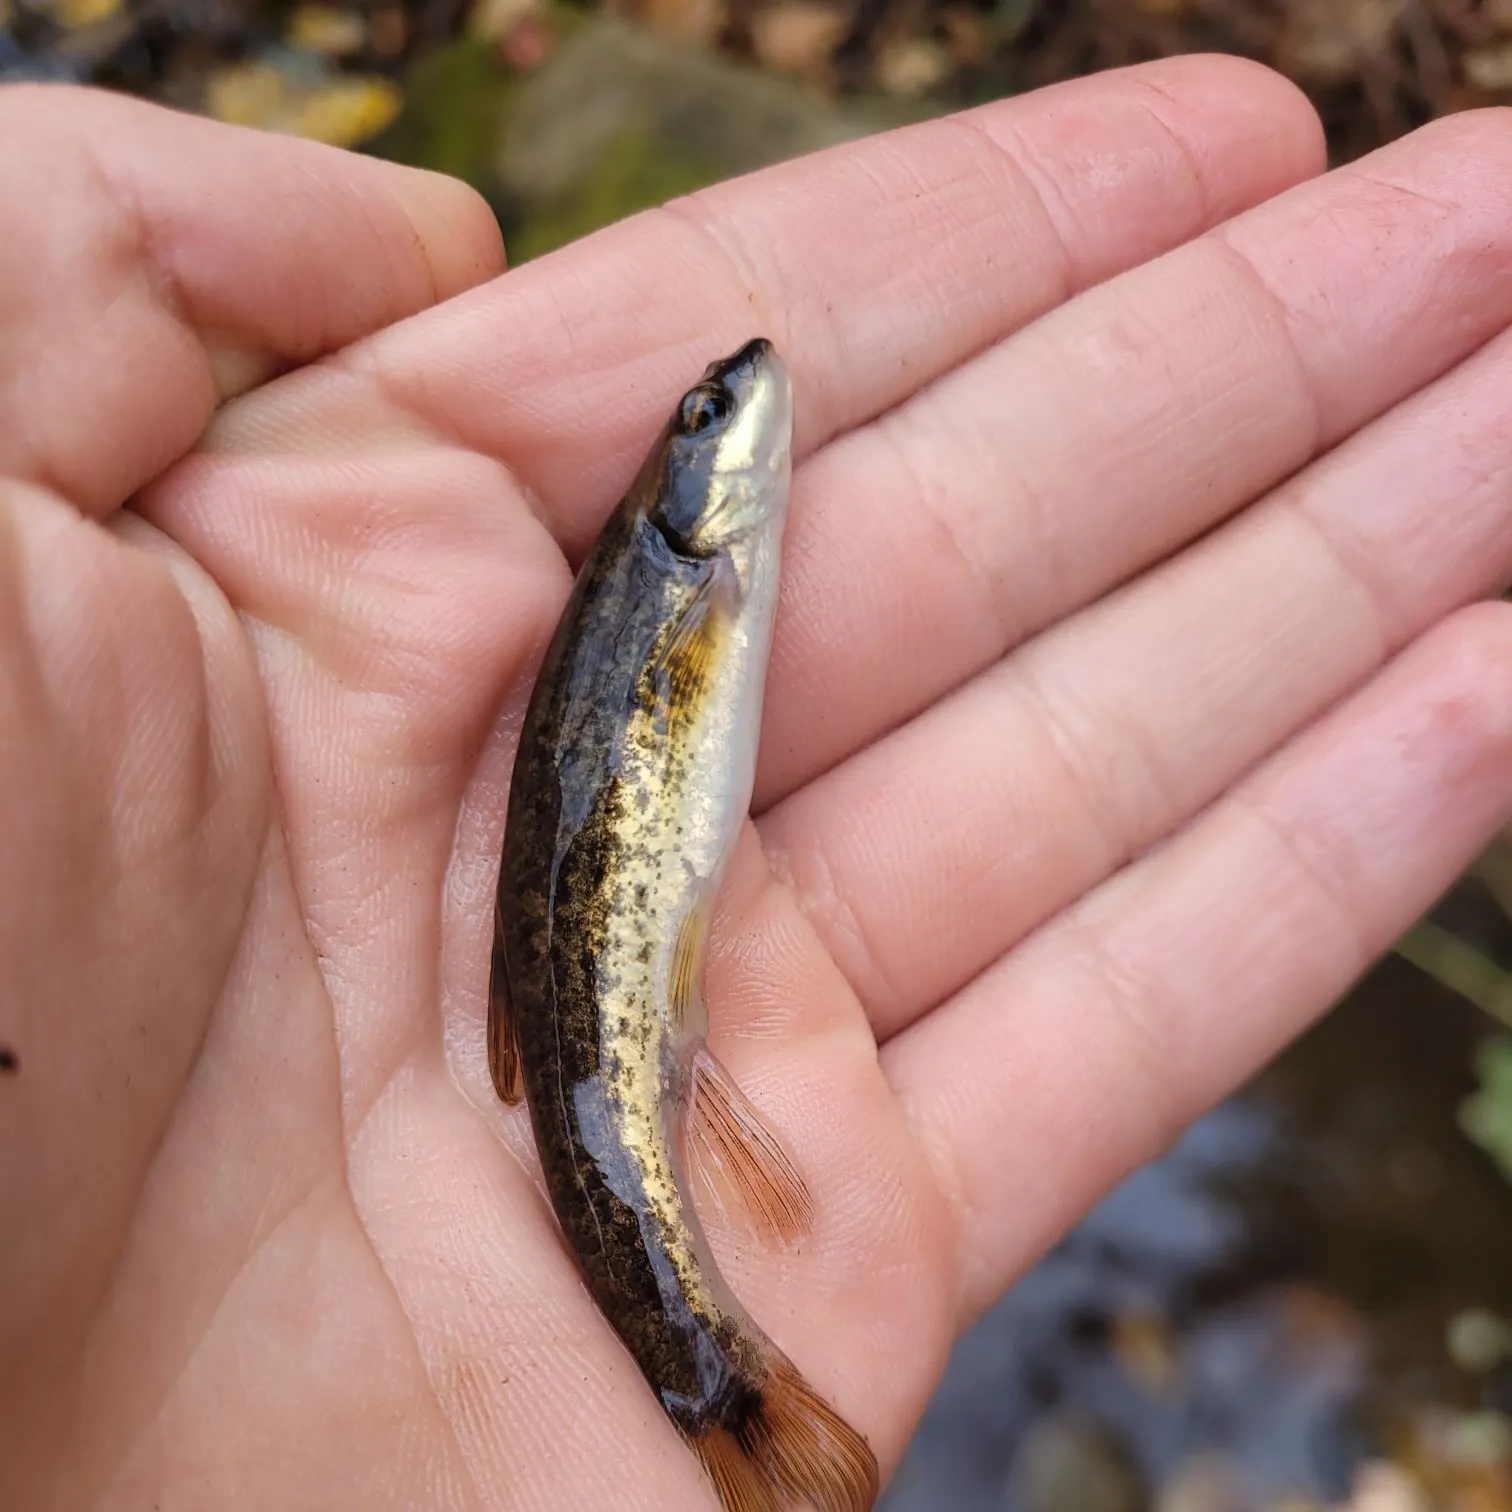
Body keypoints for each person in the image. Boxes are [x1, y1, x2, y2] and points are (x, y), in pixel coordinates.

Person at [1, 57, 1508, 1508]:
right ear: (686, 496)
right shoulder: (678, 572)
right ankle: (716, 1384)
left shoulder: (678, 563)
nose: (734, 401)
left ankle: (717, 1386)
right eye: (704, 422)